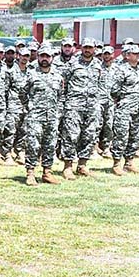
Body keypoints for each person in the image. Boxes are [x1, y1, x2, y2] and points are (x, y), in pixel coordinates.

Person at [58, 38, 103, 179]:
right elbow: (63, 85)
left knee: (90, 135)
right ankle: (68, 166)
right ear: (81, 48)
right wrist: (64, 103)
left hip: (92, 106)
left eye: (90, 47)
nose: (87, 50)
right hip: (74, 105)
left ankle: (82, 164)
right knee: (71, 135)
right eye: (85, 47)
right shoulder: (72, 63)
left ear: (95, 49)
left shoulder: (98, 64)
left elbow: (100, 84)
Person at [23, 45, 63, 186]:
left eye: (47, 56)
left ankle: (47, 172)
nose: (45, 59)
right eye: (42, 56)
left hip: (52, 116)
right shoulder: (31, 74)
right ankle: (30, 173)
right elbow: (23, 93)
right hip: (35, 116)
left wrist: (57, 112)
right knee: (33, 145)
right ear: (38, 57)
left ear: (52, 58)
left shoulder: (58, 76)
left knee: (50, 145)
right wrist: (30, 107)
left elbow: (60, 96)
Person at [109, 45, 139, 175]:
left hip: (138, 108)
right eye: (135, 53)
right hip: (125, 108)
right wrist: (123, 101)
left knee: (135, 135)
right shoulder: (121, 70)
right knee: (121, 135)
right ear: (127, 55)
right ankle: (116, 163)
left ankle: (129, 162)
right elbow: (114, 90)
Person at [96, 46, 118, 158]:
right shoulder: (98, 68)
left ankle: (106, 148)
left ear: (113, 54)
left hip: (111, 101)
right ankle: (94, 148)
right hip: (99, 100)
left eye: (109, 54)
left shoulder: (117, 69)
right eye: (105, 54)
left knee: (109, 125)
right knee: (97, 124)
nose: (107, 56)